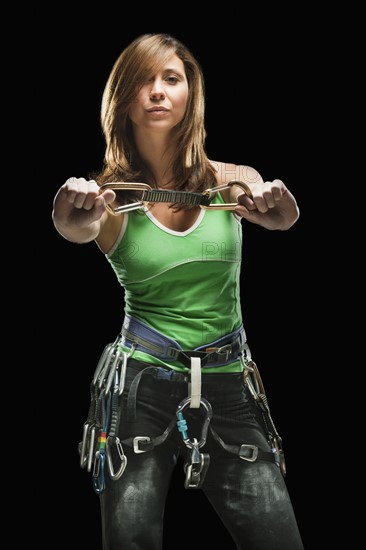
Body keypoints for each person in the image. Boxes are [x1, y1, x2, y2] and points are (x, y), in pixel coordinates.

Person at [52, 33, 304, 550]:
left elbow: (280, 219)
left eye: (172, 78)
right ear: (123, 98)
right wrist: (66, 215)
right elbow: (75, 229)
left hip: (230, 382)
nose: (159, 91)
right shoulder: (106, 198)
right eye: (144, 80)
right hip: (141, 385)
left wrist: (281, 212)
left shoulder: (232, 181)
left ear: (192, 93)